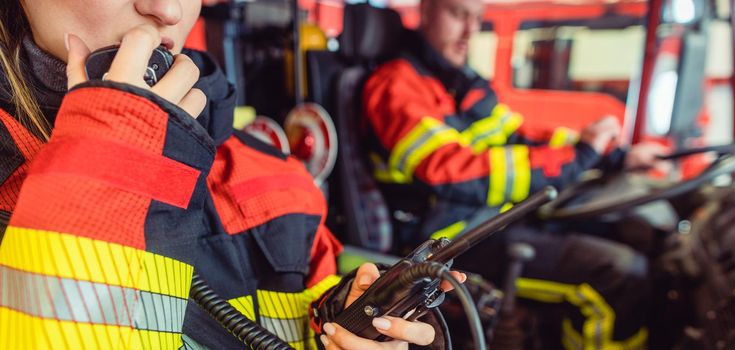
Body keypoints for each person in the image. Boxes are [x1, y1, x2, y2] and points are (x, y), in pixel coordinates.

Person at [0, 1, 465, 349]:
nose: (168, 9)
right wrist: (112, 173)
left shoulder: (275, 176)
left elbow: (298, 311)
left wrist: (344, 320)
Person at [361, 0, 669, 348]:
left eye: (477, 18)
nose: (470, 31)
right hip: (450, 242)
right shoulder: (396, 86)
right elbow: (454, 173)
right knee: (620, 277)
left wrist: (609, 154)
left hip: (492, 219)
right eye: (458, 14)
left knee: (638, 232)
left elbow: (518, 135)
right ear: (427, 11)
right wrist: (579, 158)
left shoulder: (458, 81)